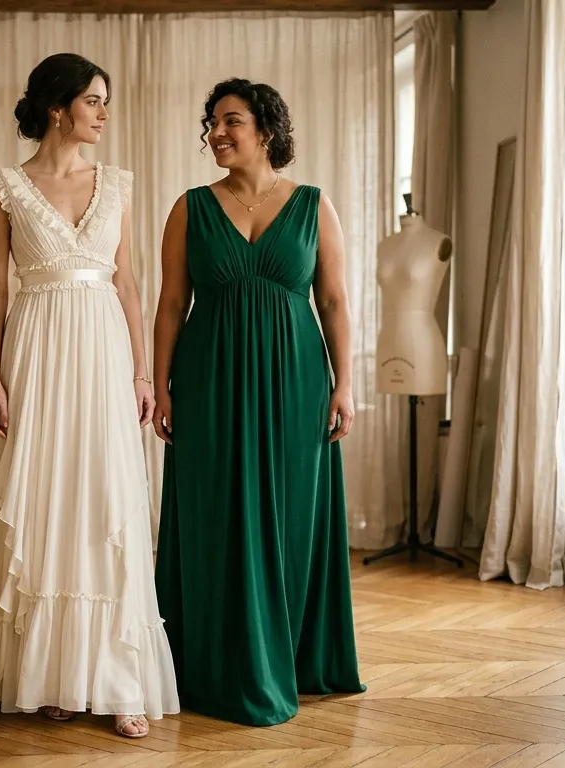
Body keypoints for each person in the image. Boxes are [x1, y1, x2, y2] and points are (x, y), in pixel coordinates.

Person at [0, 53, 179, 739]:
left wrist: (144, 373)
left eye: (106, 102)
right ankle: (53, 675)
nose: (103, 113)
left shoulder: (117, 184)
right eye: (94, 100)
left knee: (104, 500)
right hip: (35, 351)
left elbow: (128, 284)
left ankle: (118, 679)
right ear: (58, 107)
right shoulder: (4, 186)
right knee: (43, 501)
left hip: (103, 353)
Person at [151, 78, 366, 727]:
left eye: (230, 121)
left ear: (266, 129)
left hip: (296, 384)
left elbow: (333, 302)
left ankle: (291, 659)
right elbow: (169, 306)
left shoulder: (313, 205)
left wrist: (345, 384)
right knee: (213, 518)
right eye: (211, 124)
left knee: (291, 521)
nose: (216, 133)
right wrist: (160, 385)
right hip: (209, 382)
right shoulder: (190, 207)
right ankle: (208, 665)